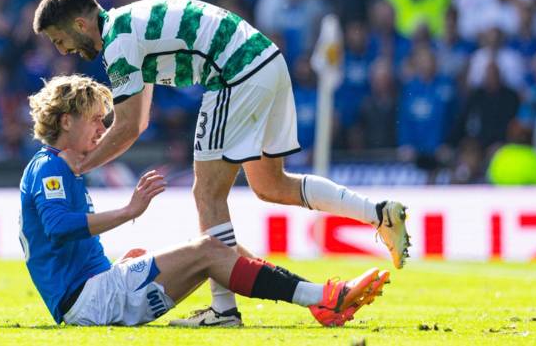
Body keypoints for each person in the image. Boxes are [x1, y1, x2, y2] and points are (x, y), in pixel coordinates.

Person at [32, 0, 410, 327]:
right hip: (266, 60)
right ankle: (378, 214)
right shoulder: (128, 27)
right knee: (272, 184)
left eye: (58, 39)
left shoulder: (117, 43)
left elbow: (129, 126)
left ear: (81, 25)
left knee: (207, 194)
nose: (61, 50)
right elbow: (139, 120)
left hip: (234, 74)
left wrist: (80, 163)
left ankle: (223, 310)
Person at [20, 74, 390, 327]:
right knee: (209, 249)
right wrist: (130, 211)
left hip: (97, 289)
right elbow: (57, 228)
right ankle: (321, 297)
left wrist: (114, 267)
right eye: (96, 120)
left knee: (218, 246)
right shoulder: (51, 170)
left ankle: (319, 298)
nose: (103, 129)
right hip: (87, 301)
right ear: (66, 122)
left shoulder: (62, 170)